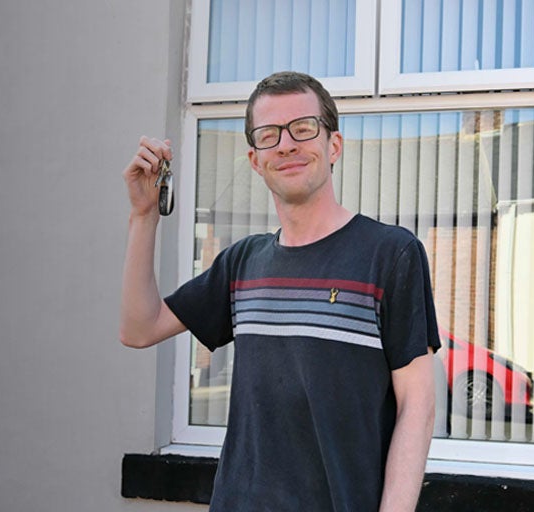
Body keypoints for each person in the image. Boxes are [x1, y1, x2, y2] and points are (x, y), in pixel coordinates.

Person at [120, 71, 440, 512]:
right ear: (255, 160)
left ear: (334, 146)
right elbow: (139, 328)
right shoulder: (243, 264)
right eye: (269, 135)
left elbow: (417, 406)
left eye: (303, 128)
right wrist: (143, 217)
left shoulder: (390, 254)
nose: (286, 144)